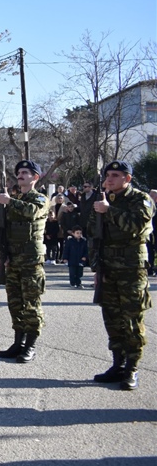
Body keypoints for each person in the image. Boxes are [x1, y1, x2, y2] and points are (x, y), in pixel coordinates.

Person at [88, 160, 153, 391]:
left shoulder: (140, 199)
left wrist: (109, 210)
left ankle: (132, 369)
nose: (110, 179)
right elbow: (94, 235)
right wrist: (96, 269)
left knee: (132, 320)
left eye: (115, 175)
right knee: (112, 318)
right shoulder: (104, 199)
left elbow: (136, 224)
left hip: (131, 269)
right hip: (108, 268)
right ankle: (118, 364)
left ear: (127, 179)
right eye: (108, 175)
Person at [0, 160, 49, 363]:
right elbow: (4, 229)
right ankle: (18, 343)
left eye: (25, 172)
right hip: (13, 259)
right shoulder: (12, 199)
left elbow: (33, 212)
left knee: (31, 304)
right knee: (15, 303)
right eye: (19, 172)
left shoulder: (40, 199)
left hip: (31, 260)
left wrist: (9, 202)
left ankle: (30, 345)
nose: (20, 175)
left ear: (35, 177)